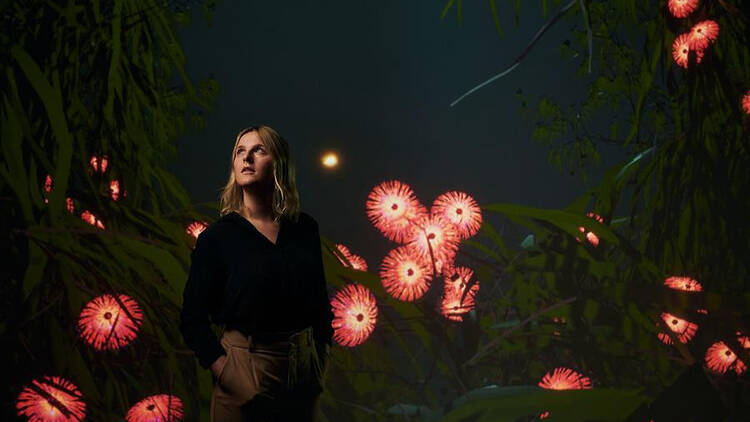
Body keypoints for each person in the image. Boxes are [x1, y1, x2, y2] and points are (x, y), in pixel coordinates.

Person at [179, 125, 334, 421]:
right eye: (240, 152)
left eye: (258, 150)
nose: (246, 158)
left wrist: (320, 360)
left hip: (302, 371)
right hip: (245, 363)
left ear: (279, 163)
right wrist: (227, 372)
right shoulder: (218, 237)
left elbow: (319, 303)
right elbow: (192, 318)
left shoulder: (304, 229)